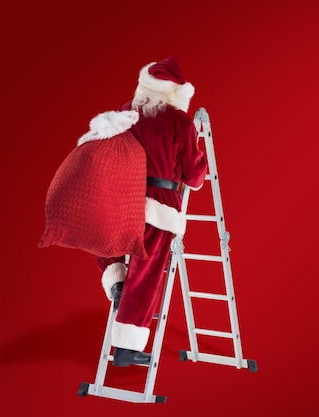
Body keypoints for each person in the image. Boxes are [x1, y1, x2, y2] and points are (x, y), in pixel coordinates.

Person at [96, 57, 208, 366]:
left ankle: (116, 280)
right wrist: (202, 163)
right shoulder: (179, 122)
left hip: (122, 194)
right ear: (176, 92)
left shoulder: (124, 112)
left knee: (109, 245)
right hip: (157, 203)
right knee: (145, 271)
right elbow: (194, 176)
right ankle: (127, 348)